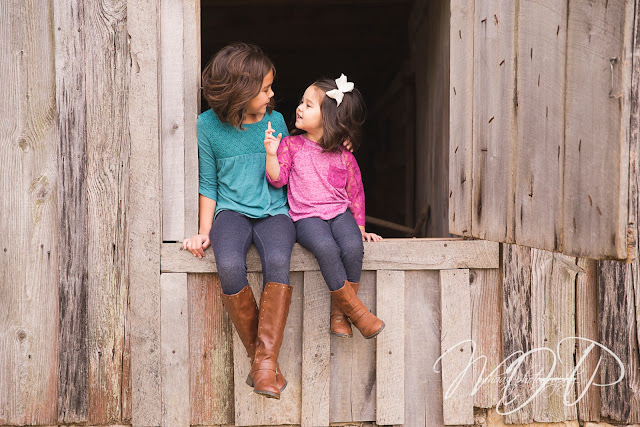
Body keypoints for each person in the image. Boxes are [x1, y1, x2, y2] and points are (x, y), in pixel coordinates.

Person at [182, 42, 293, 400]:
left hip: (274, 211)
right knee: (228, 264)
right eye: (264, 89)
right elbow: (208, 183)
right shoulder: (207, 126)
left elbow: (290, 171)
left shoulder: (275, 121)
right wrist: (203, 232)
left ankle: (262, 368)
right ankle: (264, 366)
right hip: (231, 211)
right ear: (239, 92)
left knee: (277, 260)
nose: (272, 94)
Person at [264, 74, 385, 340]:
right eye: (301, 102)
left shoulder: (344, 155)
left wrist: (361, 227)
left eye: (308, 105)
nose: (299, 108)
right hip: (306, 217)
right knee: (326, 248)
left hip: (339, 213)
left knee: (353, 247)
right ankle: (358, 313)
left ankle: (339, 316)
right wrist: (271, 155)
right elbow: (277, 179)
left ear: (328, 118)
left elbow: (355, 193)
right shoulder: (291, 146)